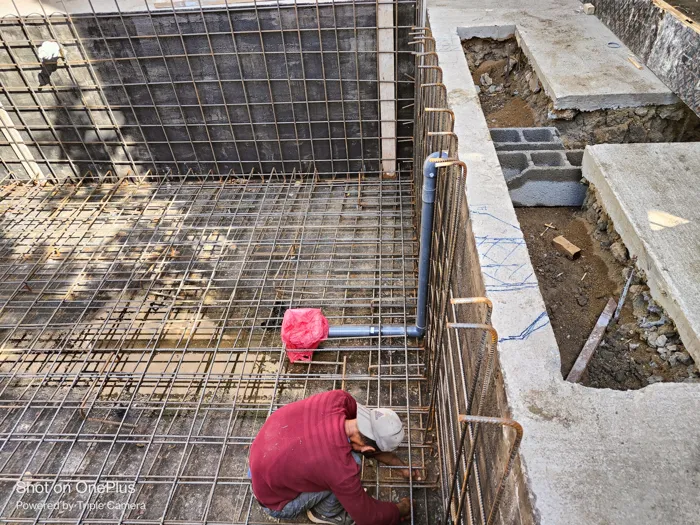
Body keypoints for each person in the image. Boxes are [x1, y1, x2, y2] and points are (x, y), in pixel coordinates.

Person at [249, 390, 418, 525]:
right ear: (368, 448)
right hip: (275, 502)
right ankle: (326, 513)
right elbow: (368, 518)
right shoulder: (340, 469)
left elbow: (362, 439)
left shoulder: (339, 399)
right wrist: (401, 509)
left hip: (263, 458)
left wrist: (400, 466)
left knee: (328, 464)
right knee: (354, 463)